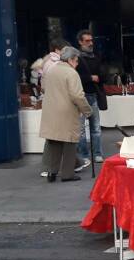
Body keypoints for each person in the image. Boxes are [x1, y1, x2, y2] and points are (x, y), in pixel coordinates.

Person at [39, 46, 93, 182]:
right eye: (76, 61)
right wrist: (87, 111)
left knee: (54, 142)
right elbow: (78, 96)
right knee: (69, 143)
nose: (77, 64)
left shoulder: (52, 70)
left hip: (51, 111)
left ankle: (52, 172)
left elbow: (44, 88)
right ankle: (67, 174)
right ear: (70, 60)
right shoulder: (71, 73)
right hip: (66, 112)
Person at [76, 30, 105, 169]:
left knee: (96, 127)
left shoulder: (96, 57)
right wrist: (90, 78)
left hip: (93, 94)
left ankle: (97, 153)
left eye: (91, 40)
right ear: (80, 42)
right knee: (81, 128)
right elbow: (73, 77)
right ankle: (84, 155)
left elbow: (101, 75)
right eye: (87, 41)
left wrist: (99, 78)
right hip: (81, 95)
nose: (90, 43)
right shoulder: (76, 58)